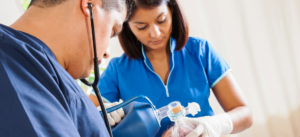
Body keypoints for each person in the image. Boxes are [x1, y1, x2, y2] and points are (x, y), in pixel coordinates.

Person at [89, 0, 253, 137]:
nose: (155, 33)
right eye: (141, 26)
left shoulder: (200, 51)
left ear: (172, 11)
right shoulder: (118, 70)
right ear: (127, 25)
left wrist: (214, 124)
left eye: (161, 20)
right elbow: (84, 116)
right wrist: (102, 115)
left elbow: (245, 114)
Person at [0, 0, 130, 136]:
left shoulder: (44, 70)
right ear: (88, 5)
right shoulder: (12, 64)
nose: (107, 52)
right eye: (113, 32)